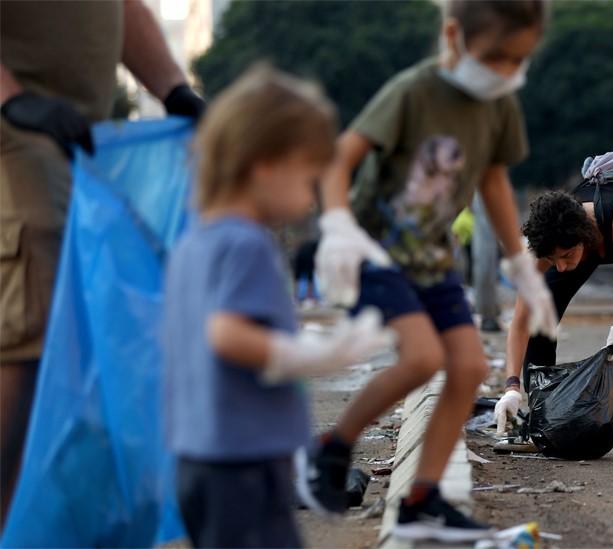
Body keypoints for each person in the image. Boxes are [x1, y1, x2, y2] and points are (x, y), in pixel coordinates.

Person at [308, 0, 558, 542]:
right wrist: (335, 224)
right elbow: (341, 157)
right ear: (454, 36)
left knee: (467, 368)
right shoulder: (414, 91)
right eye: (496, 57)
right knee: (422, 358)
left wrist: (522, 262)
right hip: (378, 249)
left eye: (519, 60)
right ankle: (330, 450)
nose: (506, 72)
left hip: (434, 258)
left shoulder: (499, 102)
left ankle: (423, 500)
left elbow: (493, 181)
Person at [162, 65, 391, 548]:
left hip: (197, 458)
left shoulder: (194, 242)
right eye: (309, 178)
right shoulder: (248, 244)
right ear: (265, 165)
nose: (313, 201)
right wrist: (320, 355)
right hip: (244, 464)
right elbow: (227, 335)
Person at [0, 0, 204, 526]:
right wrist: (10, 99)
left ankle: (39, 526)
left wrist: (173, 88)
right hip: (14, 136)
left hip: (77, 137)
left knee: (87, 340)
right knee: (33, 339)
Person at [499, 148, 613, 460]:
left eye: (566, 256)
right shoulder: (549, 245)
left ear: (584, 240)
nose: (559, 266)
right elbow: (520, 322)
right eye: (551, 259)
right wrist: (511, 386)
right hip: (587, 235)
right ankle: (538, 419)